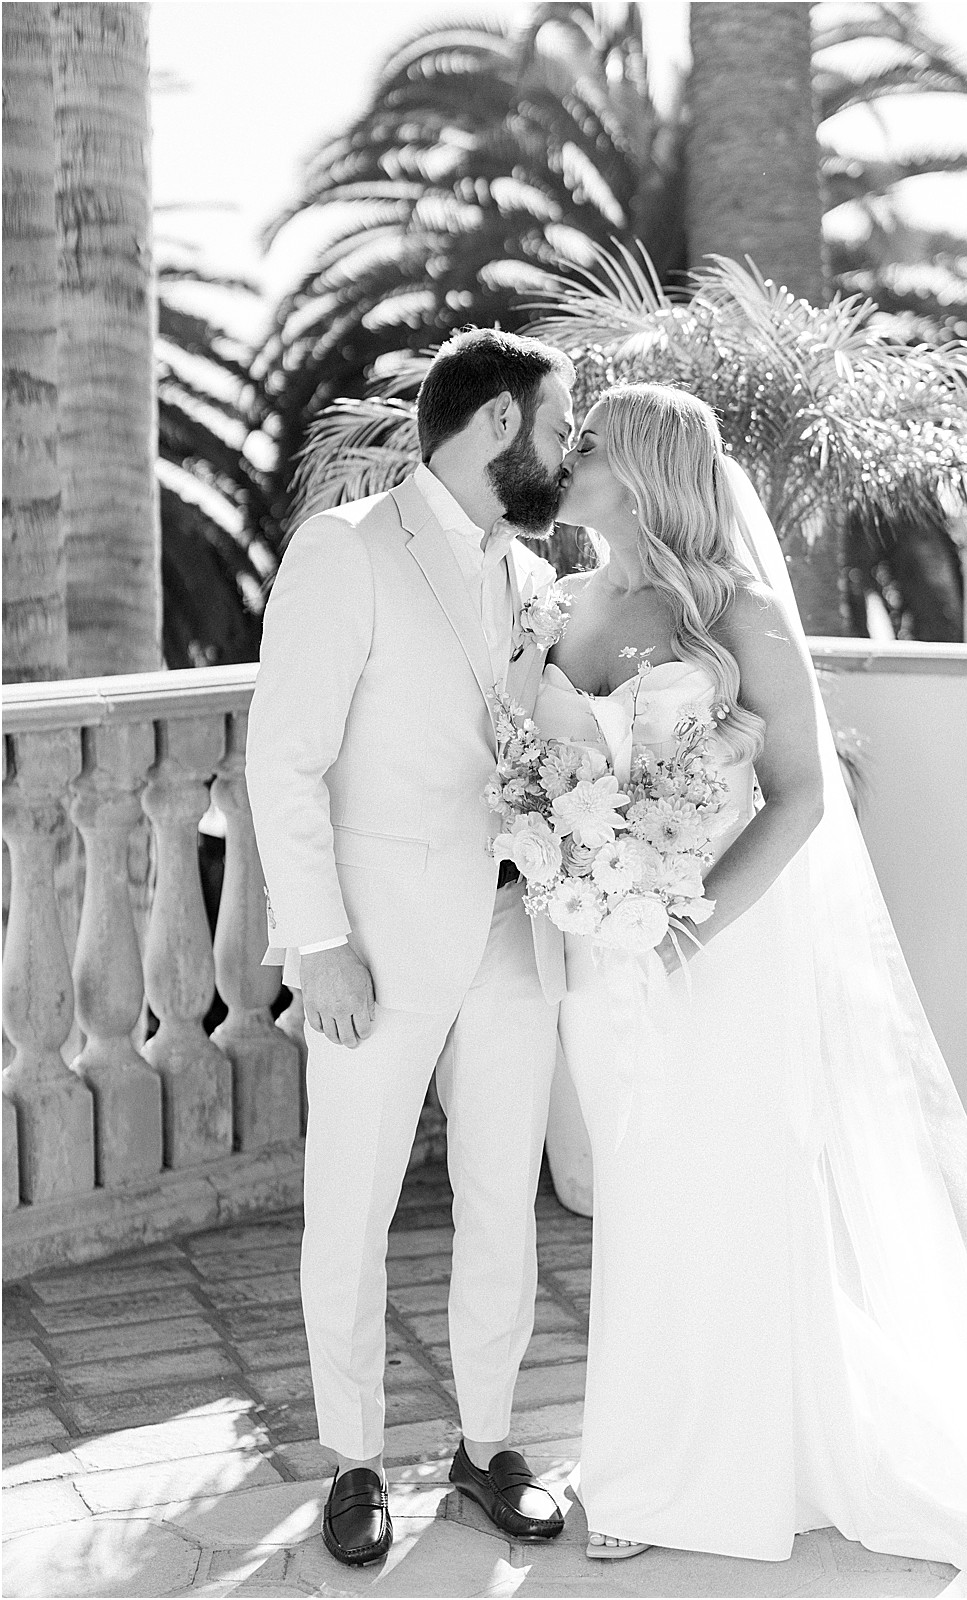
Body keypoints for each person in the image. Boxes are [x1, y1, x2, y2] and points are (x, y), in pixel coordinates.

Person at [536, 382, 967, 1594]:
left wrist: (687, 926)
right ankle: (649, 1435)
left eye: (588, 444)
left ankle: (690, 1477)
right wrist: (567, 856)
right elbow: (551, 764)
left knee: (716, 1184)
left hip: (714, 949)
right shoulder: (571, 602)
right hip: (596, 943)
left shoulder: (741, 613)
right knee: (637, 1190)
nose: (565, 458)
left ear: (648, 467)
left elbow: (802, 797)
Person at [245, 329, 576, 1567]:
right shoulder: (344, 552)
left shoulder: (530, 569)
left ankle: (486, 1446)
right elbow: (285, 760)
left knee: (504, 1198)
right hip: (375, 947)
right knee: (353, 1208)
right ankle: (354, 1461)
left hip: (512, 927)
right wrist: (317, 944)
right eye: (557, 425)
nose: (567, 448)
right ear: (495, 423)